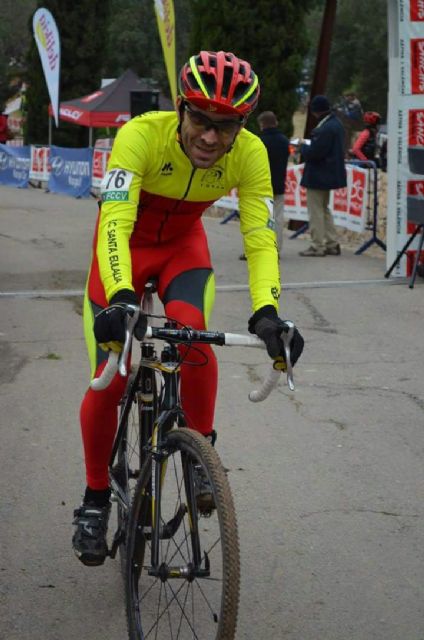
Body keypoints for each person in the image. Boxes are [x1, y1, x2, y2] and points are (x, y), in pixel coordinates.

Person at [72, 50, 305, 567]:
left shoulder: (250, 154)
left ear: (242, 125)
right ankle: (94, 499)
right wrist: (121, 296)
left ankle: (201, 456)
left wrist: (267, 311)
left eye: (227, 125)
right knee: (111, 375)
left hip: (182, 250)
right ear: (180, 108)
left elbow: (260, 237)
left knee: (193, 336)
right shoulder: (141, 135)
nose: (210, 137)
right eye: (200, 119)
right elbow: (115, 220)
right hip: (125, 249)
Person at [299, 95, 347, 257]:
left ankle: (317, 245)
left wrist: (302, 147)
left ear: (316, 111)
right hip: (329, 174)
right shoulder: (336, 124)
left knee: (315, 211)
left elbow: (315, 152)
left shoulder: (325, 128)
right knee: (324, 209)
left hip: (318, 175)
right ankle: (332, 243)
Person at [240, 111, 289, 260]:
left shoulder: (259, 141)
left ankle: (255, 250)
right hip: (279, 184)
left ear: (262, 124)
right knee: (277, 219)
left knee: (258, 219)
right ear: (276, 122)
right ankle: (276, 249)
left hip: (260, 186)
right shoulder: (284, 141)